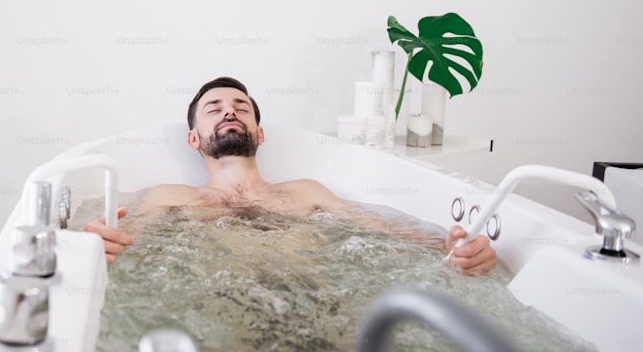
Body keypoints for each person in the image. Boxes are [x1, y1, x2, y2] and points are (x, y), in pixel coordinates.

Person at [85, 76, 497, 275]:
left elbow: (387, 234)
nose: (229, 110)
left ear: (260, 134)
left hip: (321, 308)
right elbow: (121, 243)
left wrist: (453, 249)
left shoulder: (307, 192)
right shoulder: (167, 197)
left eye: (240, 107)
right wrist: (92, 245)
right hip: (223, 319)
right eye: (214, 108)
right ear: (194, 138)